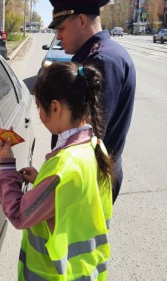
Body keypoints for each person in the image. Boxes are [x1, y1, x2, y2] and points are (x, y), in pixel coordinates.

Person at [0, 62, 114, 280]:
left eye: (40, 107)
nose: (39, 114)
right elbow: (72, 198)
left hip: (55, 274)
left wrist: (6, 164)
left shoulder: (62, 168)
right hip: (86, 270)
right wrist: (42, 180)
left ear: (56, 108)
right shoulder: (95, 146)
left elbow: (19, 215)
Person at [47, 0, 136, 203]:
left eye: (61, 28)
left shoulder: (101, 61)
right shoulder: (99, 55)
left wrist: (51, 183)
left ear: (81, 20)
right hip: (86, 175)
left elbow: (88, 135)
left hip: (86, 181)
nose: (58, 36)